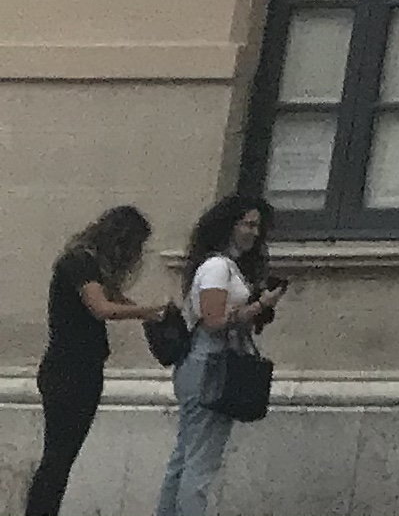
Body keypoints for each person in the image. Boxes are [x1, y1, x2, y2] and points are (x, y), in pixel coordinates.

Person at [32, 208, 166, 516]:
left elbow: (114, 298)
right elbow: (101, 307)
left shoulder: (86, 265)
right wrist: (147, 311)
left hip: (77, 369)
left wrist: (146, 313)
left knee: (60, 458)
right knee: (57, 458)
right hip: (71, 372)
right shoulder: (81, 263)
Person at [153, 200, 278, 516]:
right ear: (229, 225)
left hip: (204, 363)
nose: (254, 232)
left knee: (186, 456)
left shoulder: (223, 267)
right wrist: (260, 305)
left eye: (256, 226)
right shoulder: (217, 267)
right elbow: (215, 320)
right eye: (247, 224)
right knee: (201, 462)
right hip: (208, 364)